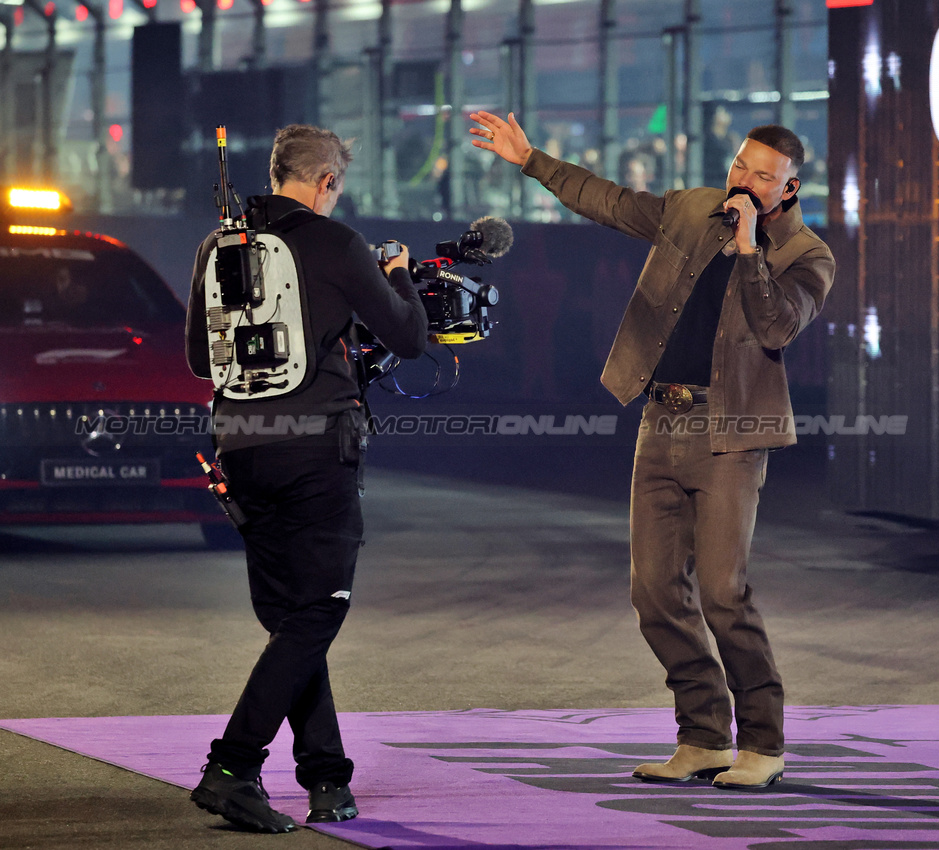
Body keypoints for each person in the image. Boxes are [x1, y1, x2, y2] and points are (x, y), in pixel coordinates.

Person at [469, 111, 834, 789]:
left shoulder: (805, 255)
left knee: (723, 593)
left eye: (762, 176)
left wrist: (749, 250)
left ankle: (763, 742)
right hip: (660, 418)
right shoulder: (693, 210)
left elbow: (777, 327)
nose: (744, 181)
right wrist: (531, 160)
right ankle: (703, 736)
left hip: (730, 432)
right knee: (655, 593)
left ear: (788, 188)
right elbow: (608, 201)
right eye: (739, 165)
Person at [184, 124, 430, 832]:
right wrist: (398, 276)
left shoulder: (217, 245)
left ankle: (326, 777)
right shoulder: (337, 243)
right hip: (316, 451)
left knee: (292, 619)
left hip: (241, 451)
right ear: (326, 182)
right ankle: (231, 767)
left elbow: (202, 360)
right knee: (318, 612)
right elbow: (409, 337)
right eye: (336, 188)